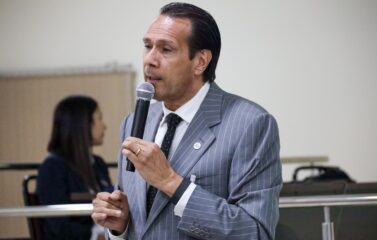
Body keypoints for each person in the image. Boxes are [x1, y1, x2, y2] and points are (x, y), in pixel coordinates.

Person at [92, 2, 282, 239]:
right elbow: (143, 224)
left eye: (166, 49)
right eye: (148, 46)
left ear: (200, 61)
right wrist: (118, 227)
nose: (150, 60)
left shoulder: (251, 124)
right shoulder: (133, 123)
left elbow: (256, 233)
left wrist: (170, 182)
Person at [37, 95, 113, 240]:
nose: (104, 125)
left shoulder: (98, 164)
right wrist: (96, 235)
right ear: (83, 124)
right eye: (99, 118)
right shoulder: (53, 168)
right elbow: (60, 226)